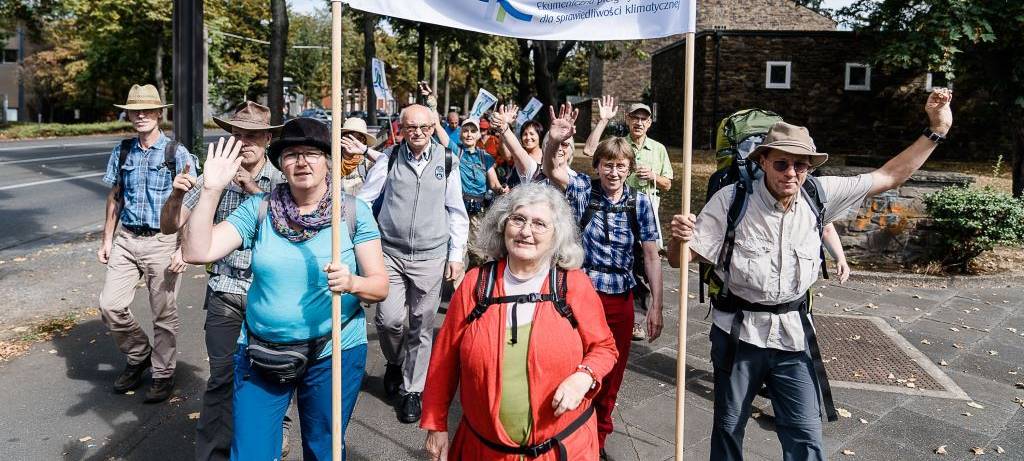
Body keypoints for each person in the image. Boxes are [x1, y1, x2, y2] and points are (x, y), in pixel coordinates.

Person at [668, 88, 953, 461]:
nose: (791, 173)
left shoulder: (820, 194)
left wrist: (937, 129)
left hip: (793, 336)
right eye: (782, 163)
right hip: (738, 335)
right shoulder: (732, 201)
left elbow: (890, 175)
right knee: (728, 429)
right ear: (764, 161)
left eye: (800, 165)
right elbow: (680, 259)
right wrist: (678, 238)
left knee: (805, 434)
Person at [181, 119, 389, 460]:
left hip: (333, 350)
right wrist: (210, 190)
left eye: (312, 153)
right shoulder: (259, 208)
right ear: (281, 164)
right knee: (251, 453)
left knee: (324, 451)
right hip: (261, 352)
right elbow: (196, 251)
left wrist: (352, 282)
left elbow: (380, 286)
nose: (302, 162)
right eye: (292, 154)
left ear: (329, 161)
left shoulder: (353, 212)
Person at [421, 183, 618, 461]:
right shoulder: (475, 285)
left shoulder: (572, 284)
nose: (526, 232)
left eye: (539, 224)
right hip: (484, 452)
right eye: (518, 219)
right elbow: (445, 359)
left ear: (556, 235)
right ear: (503, 225)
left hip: (562, 450)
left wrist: (583, 377)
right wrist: (436, 424)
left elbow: (605, 348)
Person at [159, 101, 289, 461]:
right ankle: (213, 453)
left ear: (267, 138)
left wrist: (252, 190)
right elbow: (170, 225)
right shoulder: (213, 177)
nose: (243, 142)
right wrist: (177, 194)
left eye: (251, 136)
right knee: (222, 377)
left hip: (271, 295)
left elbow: (292, 230)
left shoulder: (282, 180)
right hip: (226, 292)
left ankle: (278, 424)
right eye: (237, 134)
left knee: (275, 373)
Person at [543, 104, 664, 459]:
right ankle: (569, 434)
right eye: (607, 164)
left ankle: (598, 439)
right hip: (581, 296)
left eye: (620, 166)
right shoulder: (584, 190)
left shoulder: (640, 203)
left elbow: (653, 255)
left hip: (620, 299)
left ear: (629, 169)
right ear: (597, 166)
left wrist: (656, 305)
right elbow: (553, 168)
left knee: (611, 375)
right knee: (573, 368)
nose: (613, 172)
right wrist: (553, 141)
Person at [357, 102, 469, 424]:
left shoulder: (447, 161)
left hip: (431, 256)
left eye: (424, 127)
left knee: (422, 323)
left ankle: (412, 390)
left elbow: (457, 212)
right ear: (401, 129)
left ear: (433, 129)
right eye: (411, 128)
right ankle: (395, 361)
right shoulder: (390, 158)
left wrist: (456, 256)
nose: (417, 133)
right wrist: (363, 242)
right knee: (389, 320)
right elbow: (364, 201)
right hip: (389, 254)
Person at [97, 83, 195, 403]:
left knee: (163, 315)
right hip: (126, 239)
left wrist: (184, 248)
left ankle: (163, 373)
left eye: (146, 110)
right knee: (110, 304)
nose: (140, 115)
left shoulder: (176, 153)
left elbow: (191, 202)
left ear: (158, 113)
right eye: (134, 111)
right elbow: (115, 197)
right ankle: (139, 354)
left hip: (162, 242)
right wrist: (107, 239)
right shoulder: (122, 150)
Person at [584, 96, 673, 342]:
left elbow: (668, 183)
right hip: (610, 211)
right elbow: (591, 152)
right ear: (628, 120)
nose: (640, 122)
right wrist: (602, 121)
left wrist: (654, 175)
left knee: (643, 266)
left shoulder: (658, 149)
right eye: (635, 117)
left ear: (650, 123)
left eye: (644, 119)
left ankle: (636, 315)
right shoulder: (617, 144)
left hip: (641, 215)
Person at [435, 117, 506, 267]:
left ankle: (472, 285)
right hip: (457, 209)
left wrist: (501, 189)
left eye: (473, 131)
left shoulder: (485, 157)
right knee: (456, 253)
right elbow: (440, 131)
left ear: (478, 135)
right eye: (466, 131)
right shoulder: (456, 151)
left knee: (478, 256)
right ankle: (455, 286)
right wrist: (431, 104)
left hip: (478, 214)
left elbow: (494, 183)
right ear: (461, 134)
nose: (469, 134)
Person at [491, 104, 546, 187]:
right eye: (525, 134)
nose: (528, 137)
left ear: (540, 136)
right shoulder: (517, 154)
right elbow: (505, 154)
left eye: (532, 134)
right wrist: (505, 126)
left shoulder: (547, 157)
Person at [336, 117, 381, 195]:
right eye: (350, 137)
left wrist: (366, 151)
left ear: (364, 143)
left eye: (359, 139)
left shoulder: (370, 164)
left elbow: (385, 161)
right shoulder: (331, 161)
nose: (354, 142)